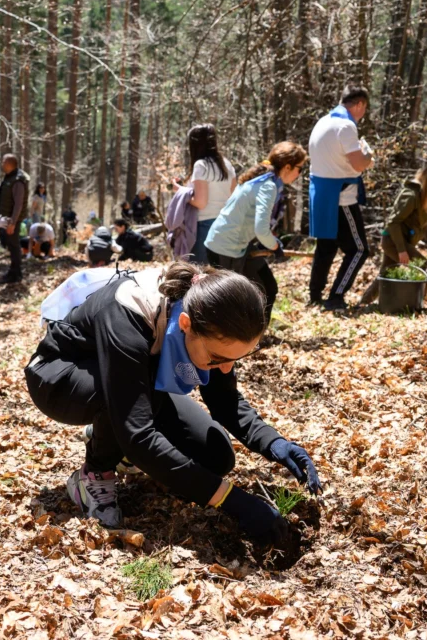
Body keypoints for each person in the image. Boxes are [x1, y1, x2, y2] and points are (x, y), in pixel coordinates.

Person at [24, 263, 322, 541]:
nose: (227, 369)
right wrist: (234, 501)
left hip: (134, 382)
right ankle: (94, 474)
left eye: (236, 359)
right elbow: (138, 434)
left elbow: (224, 401)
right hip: (59, 378)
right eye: (218, 359)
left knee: (217, 457)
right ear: (186, 324)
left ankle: (116, 444)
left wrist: (274, 444)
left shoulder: (212, 315)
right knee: (131, 422)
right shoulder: (128, 312)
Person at [205, 142, 307, 327]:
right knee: (227, 301)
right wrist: (275, 246)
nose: (300, 174)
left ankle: (258, 335)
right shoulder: (268, 185)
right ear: (287, 166)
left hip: (239, 246)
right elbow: (261, 229)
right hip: (225, 248)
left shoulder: (267, 181)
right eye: (299, 168)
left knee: (267, 286)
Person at [308, 86, 375, 311]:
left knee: (326, 247)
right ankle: (336, 295)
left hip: (321, 194)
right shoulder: (346, 126)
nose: (363, 114)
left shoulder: (323, 121)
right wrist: (369, 156)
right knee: (358, 250)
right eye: (363, 109)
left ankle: (315, 294)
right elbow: (358, 163)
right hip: (341, 196)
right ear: (359, 105)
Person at [359, 161, 427, 306]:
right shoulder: (411, 195)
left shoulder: (422, 196)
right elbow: (393, 222)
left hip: (398, 242)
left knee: (385, 275)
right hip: (393, 242)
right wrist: (401, 250)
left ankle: (362, 304)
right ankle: (413, 305)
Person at [187, 124, 237, 263]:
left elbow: (201, 202)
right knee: (219, 275)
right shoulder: (226, 164)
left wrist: (182, 193)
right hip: (226, 225)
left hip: (205, 226)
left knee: (198, 274)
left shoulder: (200, 165)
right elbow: (234, 196)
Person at [0, 154, 30, 283]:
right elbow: (3, 192)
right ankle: (13, 271)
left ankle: (16, 274)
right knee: (11, 245)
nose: (1, 164)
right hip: (8, 219)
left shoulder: (18, 180)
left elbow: (18, 203)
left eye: (3, 162)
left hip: (13, 221)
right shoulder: (10, 177)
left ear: (9, 163)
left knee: (14, 245)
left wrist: (12, 222)